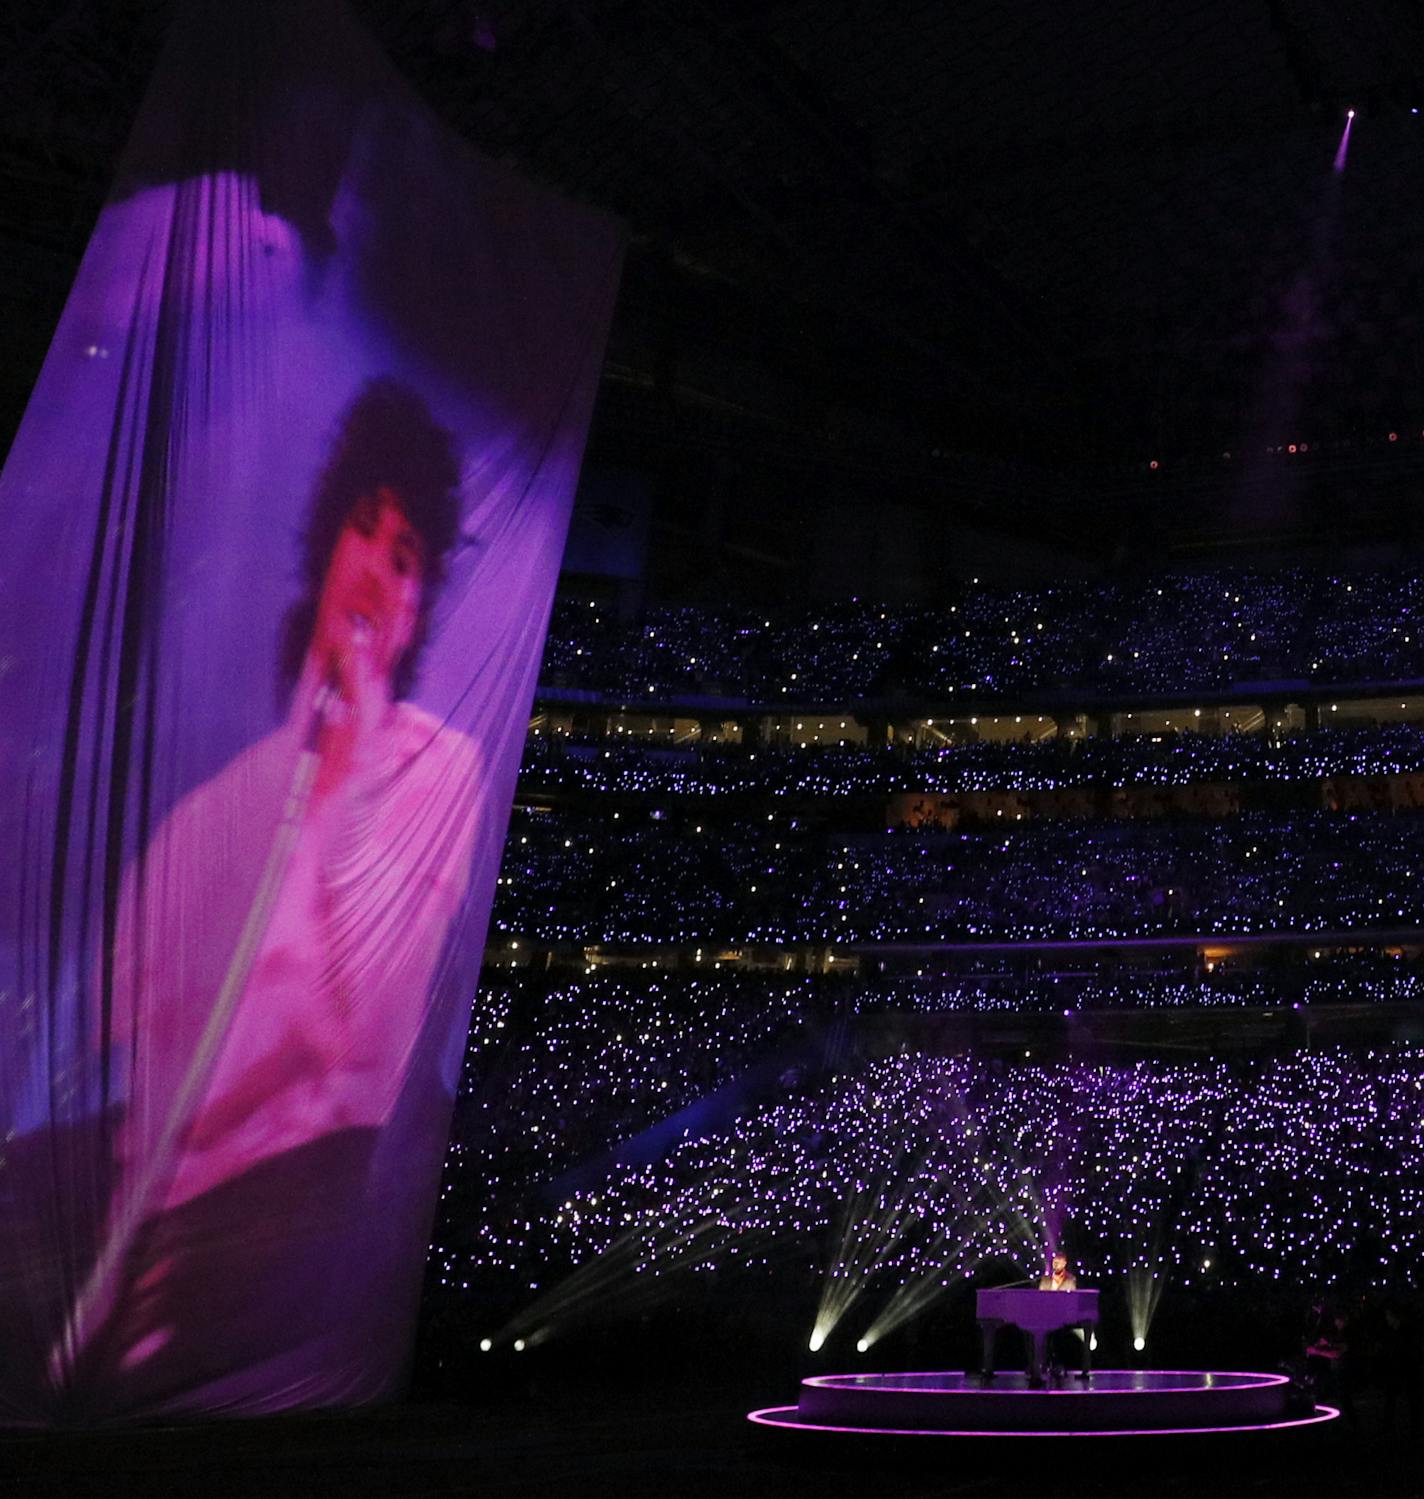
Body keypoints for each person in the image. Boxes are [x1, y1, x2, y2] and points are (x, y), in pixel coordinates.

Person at [68, 379, 480, 1414]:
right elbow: (125, 1048)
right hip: (145, 1228)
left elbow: (361, 1043)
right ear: (322, 545)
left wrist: (343, 781)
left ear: (421, 603)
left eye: (407, 560)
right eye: (363, 532)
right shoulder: (207, 817)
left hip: (291, 1224)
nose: (378, 578)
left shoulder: (439, 773)